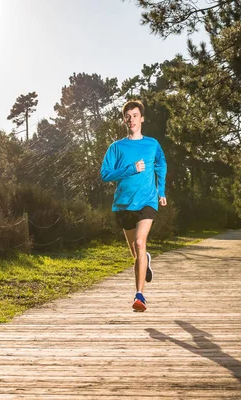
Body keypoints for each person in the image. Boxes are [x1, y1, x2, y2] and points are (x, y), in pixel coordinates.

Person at [100, 99, 167, 312]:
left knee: (139, 242)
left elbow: (161, 164)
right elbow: (105, 174)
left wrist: (161, 191)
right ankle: (144, 260)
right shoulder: (116, 147)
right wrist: (131, 168)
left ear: (142, 118)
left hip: (147, 201)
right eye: (128, 116)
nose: (132, 120)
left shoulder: (152, 144)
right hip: (123, 205)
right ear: (124, 120)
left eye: (135, 115)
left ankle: (139, 296)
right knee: (136, 251)